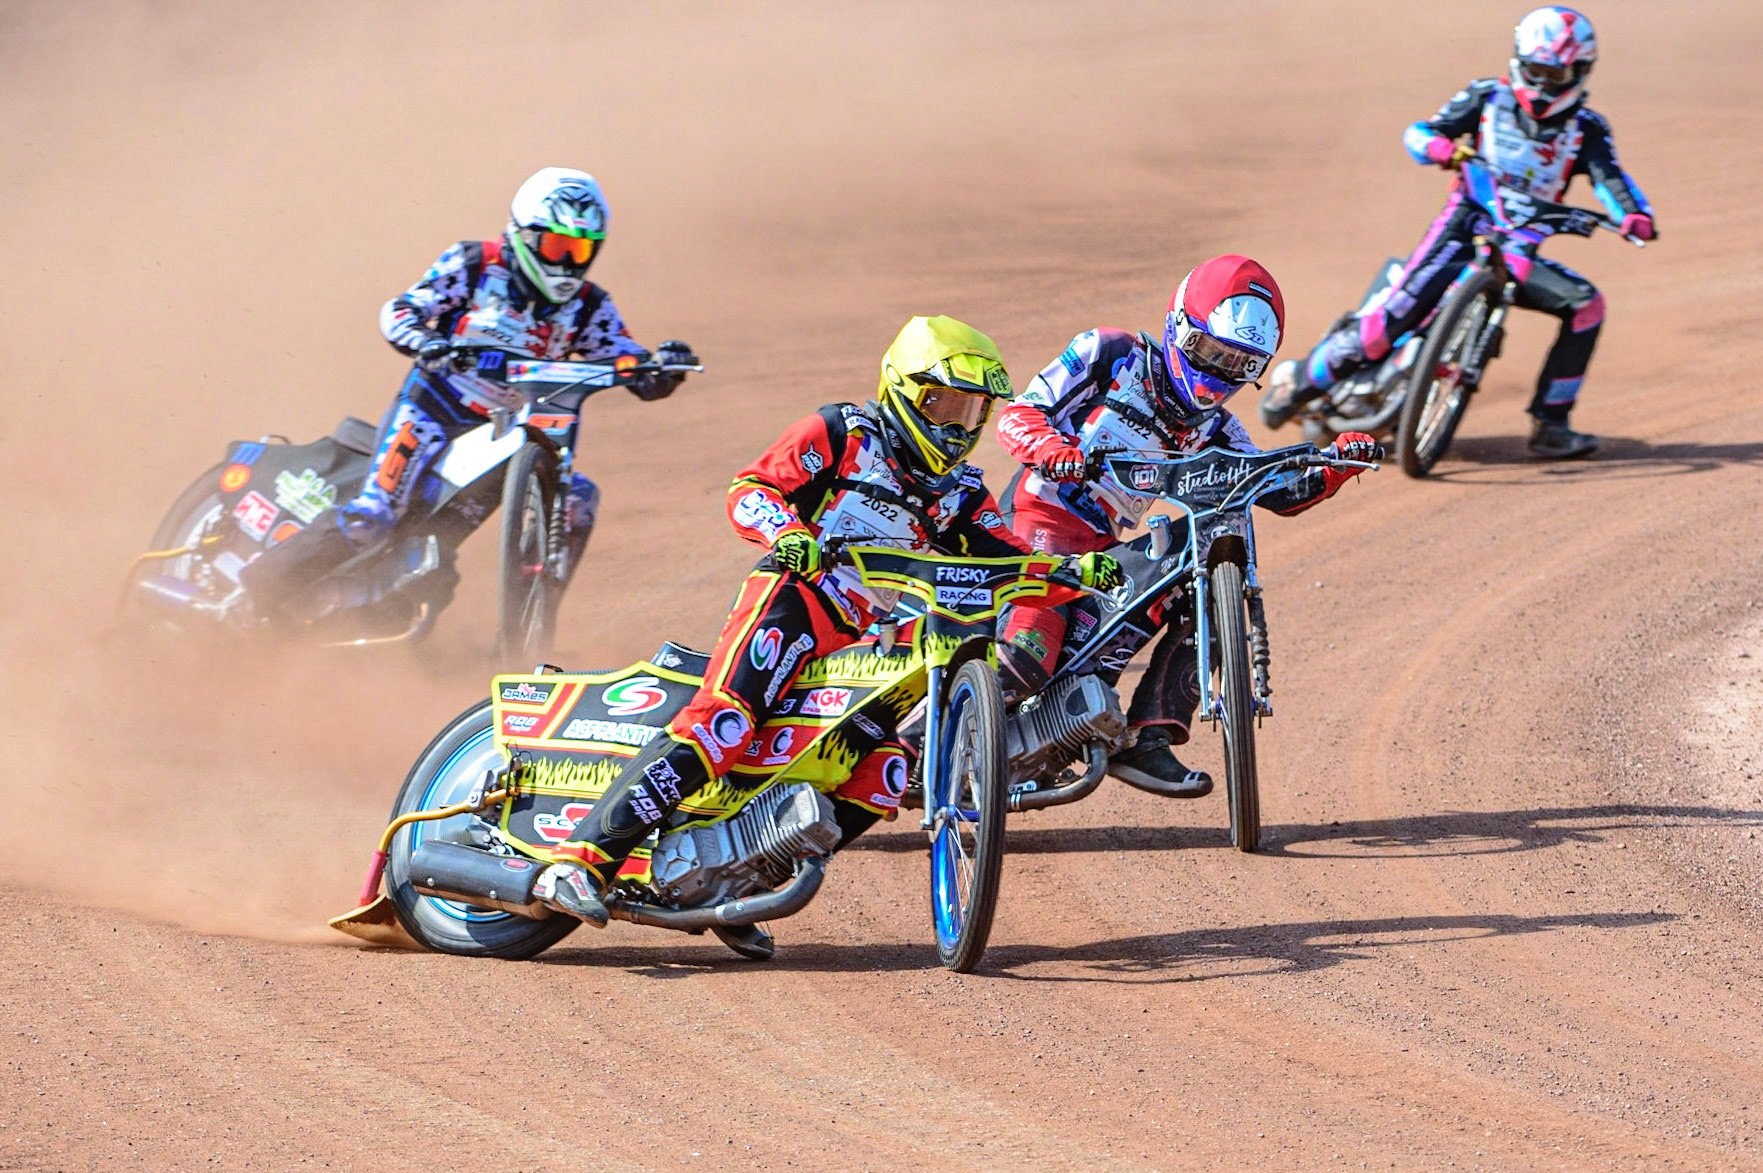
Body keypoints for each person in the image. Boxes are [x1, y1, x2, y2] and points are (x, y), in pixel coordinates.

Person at [530, 316, 1120, 928]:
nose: (956, 426)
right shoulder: (841, 431)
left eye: (973, 413)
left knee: (882, 772)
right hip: (794, 599)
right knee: (725, 724)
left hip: (865, 638)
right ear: (903, 389)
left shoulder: (961, 492)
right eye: (943, 404)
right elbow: (752, 485)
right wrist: (787, 533)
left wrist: (1075, 574)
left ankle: (741, 880)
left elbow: (1012, 561)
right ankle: (582, 861)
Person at [994, 255, 1379, 797]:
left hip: (1106, 544)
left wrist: (1336, 464)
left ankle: (1147, 737)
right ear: (1179, 324)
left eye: (1239, 365)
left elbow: (1273, 491)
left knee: (1211, 554)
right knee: (1027, 658)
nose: (1218, 375)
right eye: (1210, 353)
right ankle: (921, 746)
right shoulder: (1108, 353)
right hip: (1039, 519)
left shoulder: (1221, 429)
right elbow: (1019, 413)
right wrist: (1053, 448)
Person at [239, 166, 693, 616]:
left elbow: (626, 359)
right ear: (527, 236)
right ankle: (252, 593)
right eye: (559, 246)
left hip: (504, 438)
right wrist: (427, 341)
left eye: (581, 250)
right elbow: (401, 311)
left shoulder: (589, 306)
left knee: (566, 504)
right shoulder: (476, 264)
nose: (569, 265)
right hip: (433, 410)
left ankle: (530, 623)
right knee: (374, 517)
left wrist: (661, 367)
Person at [1259, 6, 1654, 460]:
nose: (1545, 84)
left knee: (1588, 307)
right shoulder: (1488, 97)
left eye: (1557, 73)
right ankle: (1302, 380)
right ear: (1519, 62)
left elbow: (1612, 180)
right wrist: (1441, 147)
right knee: (1383, 327)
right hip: (1462, 227)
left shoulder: (1587, 129)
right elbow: (1419, 133)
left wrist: (1633, 215)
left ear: (1580, 71)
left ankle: (1552, 425)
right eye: (1537, 70)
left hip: (1520, 249)